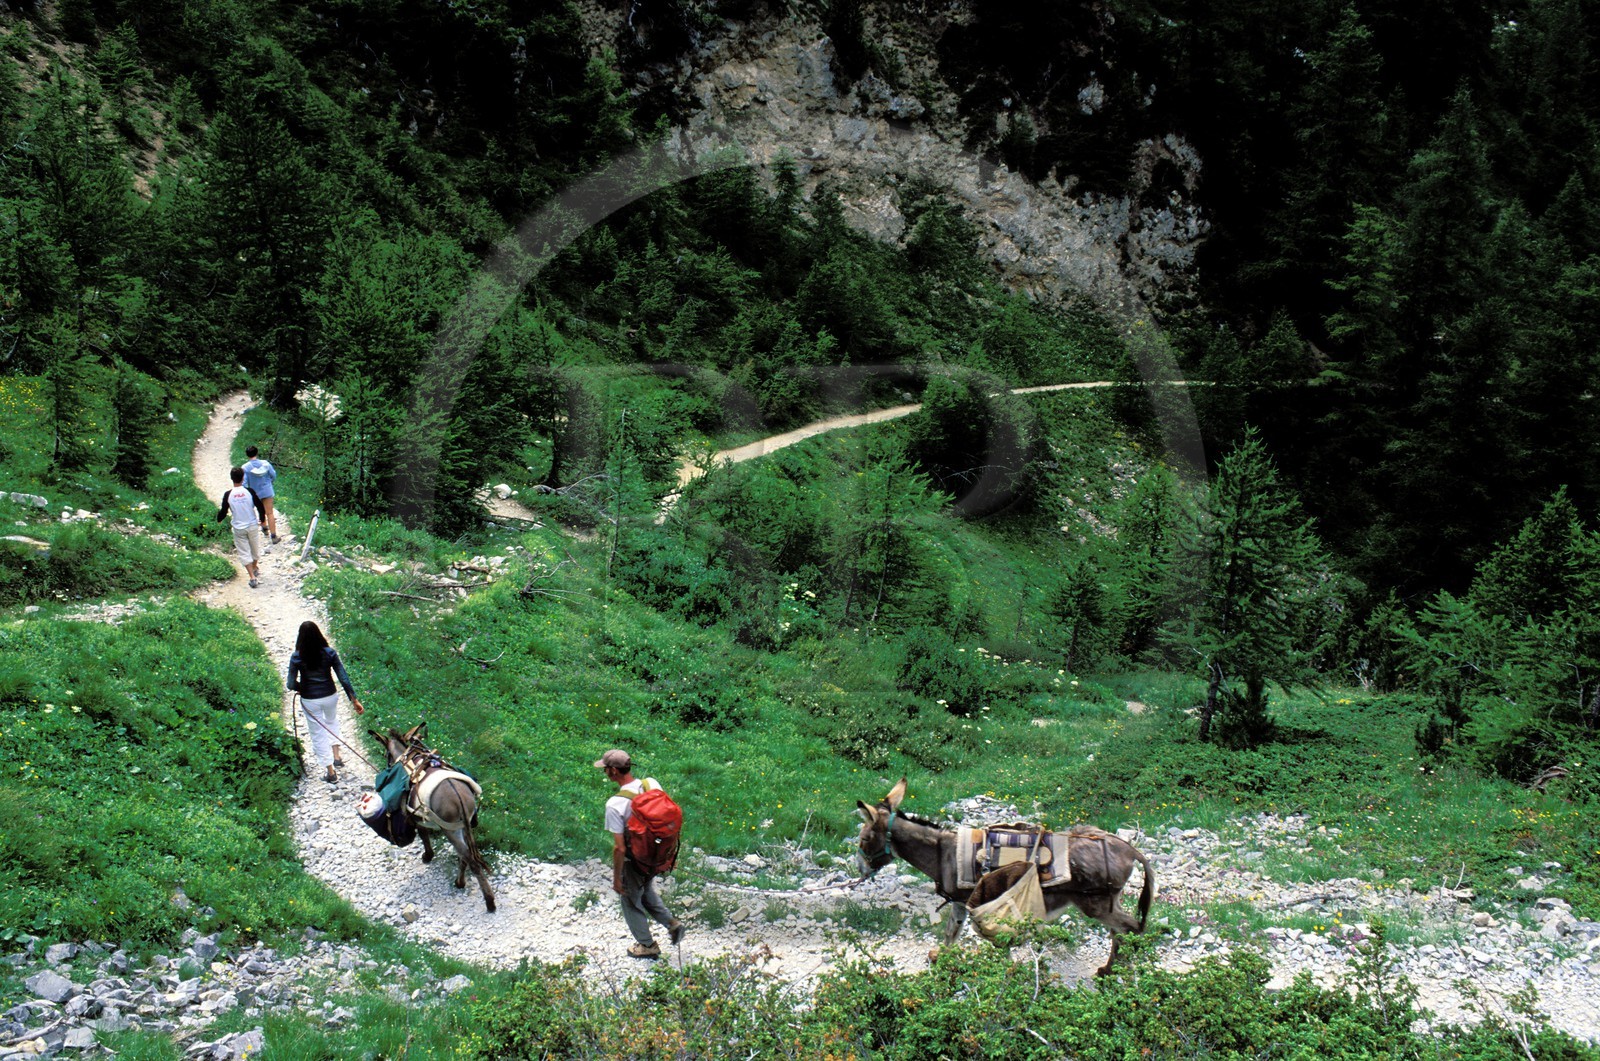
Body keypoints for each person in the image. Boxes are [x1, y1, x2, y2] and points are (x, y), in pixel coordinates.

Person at [598, 749, 684, 958]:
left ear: (613, 771)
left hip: (635, 860)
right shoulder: (651, 784)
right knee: (645, 890)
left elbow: (619, 848)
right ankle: (672, 923)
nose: (604, 772)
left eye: (606, 769)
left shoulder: (615, 804)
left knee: (629, 899)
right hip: (659, 855)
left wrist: (617, 878)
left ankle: (646, 945)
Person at [287, 620, 364, 784]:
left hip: (310, 699)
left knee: (317, 733)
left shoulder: (297, 657)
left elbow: (290, 684)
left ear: (300, 637)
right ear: (318, 634)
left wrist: (301, 687)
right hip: (330, 696)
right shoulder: (329, 653)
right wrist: (354, 700)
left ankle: (330, 772)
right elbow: (343, 677)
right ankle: (337, 756)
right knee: (332, 722)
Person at [216, 467, 265, 588]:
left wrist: (219, 519)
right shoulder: (250, 491)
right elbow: (259, 506)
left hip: (238, 527)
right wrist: (262, 519)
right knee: (254, 549)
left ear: (231, 479)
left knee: (244, 551)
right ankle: (255, 567)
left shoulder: (228, 494)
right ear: (243, 478)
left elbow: (223, 510)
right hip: (252, 525)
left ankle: (252, 577)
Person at [242, 445, 280, 544]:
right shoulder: (265, 464)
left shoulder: (245, 467)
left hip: (255, 493)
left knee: (260, 510)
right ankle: (274, 536)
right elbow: (273, 475)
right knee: (270, 513)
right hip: (267, 490)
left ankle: (264, 527)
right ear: (257, 453)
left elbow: (244, 483)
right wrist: (270, 482)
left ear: (247, 455)